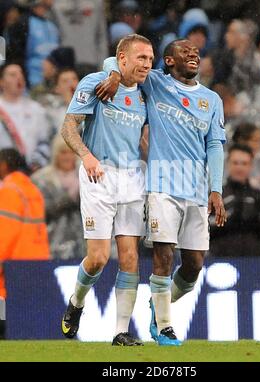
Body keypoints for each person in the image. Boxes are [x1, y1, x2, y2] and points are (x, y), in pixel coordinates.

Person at [98, 38, 226, 345]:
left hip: (195, 189)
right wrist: (115, 76)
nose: (193, 54)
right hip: (161, 186)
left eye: (196, 52)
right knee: (163, 255)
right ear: (168, 61)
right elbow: (115, 62)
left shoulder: (212, 99)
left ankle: (158, 307)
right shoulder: (155, 82)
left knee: (194, 264)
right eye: (185, 51)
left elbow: (214, 144)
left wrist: (216, 189)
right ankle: (165, 327)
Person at [60, 34, 154, 346]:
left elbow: (142, 137)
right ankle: (77, 301)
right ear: (122, 58)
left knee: (130, 256)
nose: (147, 64)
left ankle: (120, 332)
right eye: (141, 58)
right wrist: (86, 156)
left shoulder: (145, 92)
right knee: (99, 257)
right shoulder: (96, 83)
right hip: (98, 174)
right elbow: (68, 126)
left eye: (150, 59)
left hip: (131, 179)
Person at [209, 144, 260, 257]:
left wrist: (256, 217)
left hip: (255, 260)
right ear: (228, 164)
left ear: (251, 165)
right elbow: (202, 229)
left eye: (244, 163)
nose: (239, 167)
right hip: (221, 261)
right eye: (235, 163)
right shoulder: (215, 193)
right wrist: (227, 217)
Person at [0, 148, 50, 299]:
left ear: (4, 165)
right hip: (37, 264)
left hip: (13, 269)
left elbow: (6, 233)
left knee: (8, 318)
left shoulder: (9, 191)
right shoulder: (33, 190)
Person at [31, 134, 83, 260]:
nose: (67, 157)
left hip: (83, 246)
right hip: (51, 243)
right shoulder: (41, 179)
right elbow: (41, 211)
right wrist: (69, 199)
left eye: (71, 152)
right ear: (55, 154)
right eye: (63, 152)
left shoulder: (87, 178)